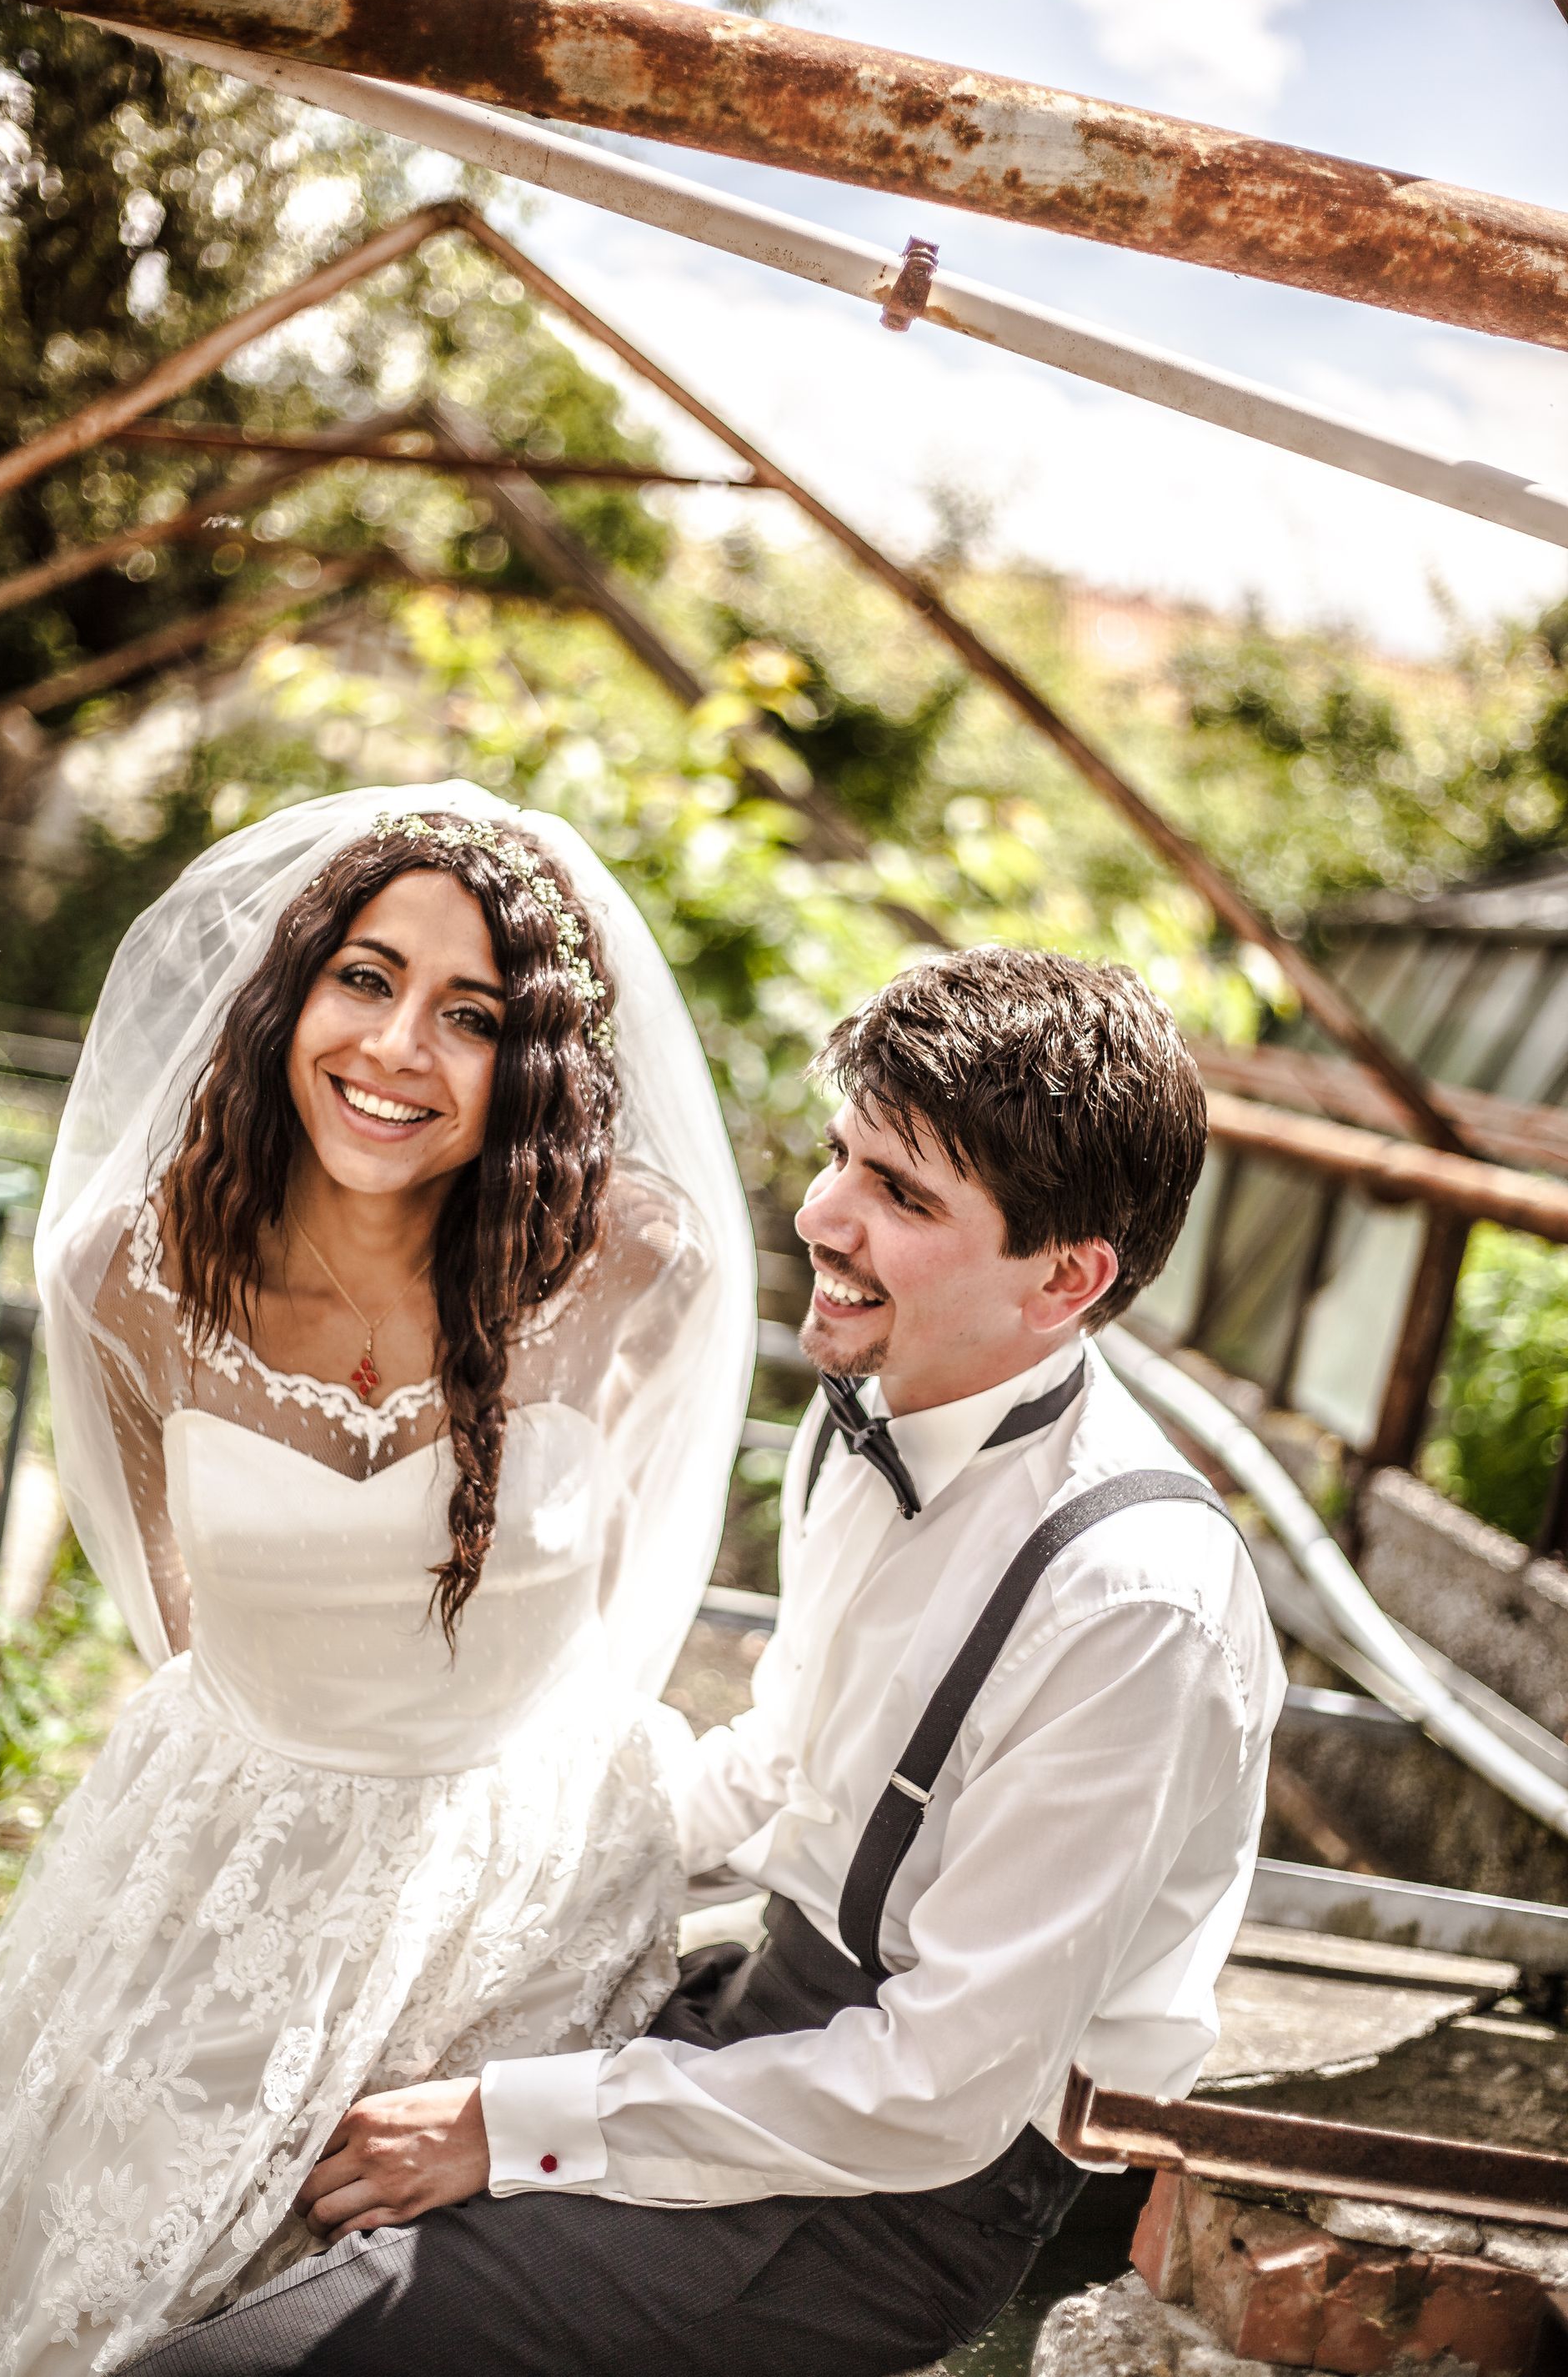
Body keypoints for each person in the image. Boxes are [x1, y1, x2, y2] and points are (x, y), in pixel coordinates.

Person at [127, 943, 1287, 2377]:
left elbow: (938, 2091)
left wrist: (514, 2125)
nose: (821, 1218)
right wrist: (457, 1867)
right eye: (841, 1155)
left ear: (1067, 1279)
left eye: (902, 1196)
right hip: (757, 2024)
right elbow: (787, 1761)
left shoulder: (1134, 1607)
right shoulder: (869, 1407)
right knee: (231, 2182)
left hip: (898, 2187)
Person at [0, 784, 756, 2376]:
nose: (398, 1048)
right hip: (216, 1872)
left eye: (470, 1014)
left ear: (530, 1061)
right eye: (366, 977)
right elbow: (168, 1597)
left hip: (517, 1892)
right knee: (108, 2306)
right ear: (290, 994)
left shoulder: (636, 1268)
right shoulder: (123, 1272)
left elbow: (629, 1587)